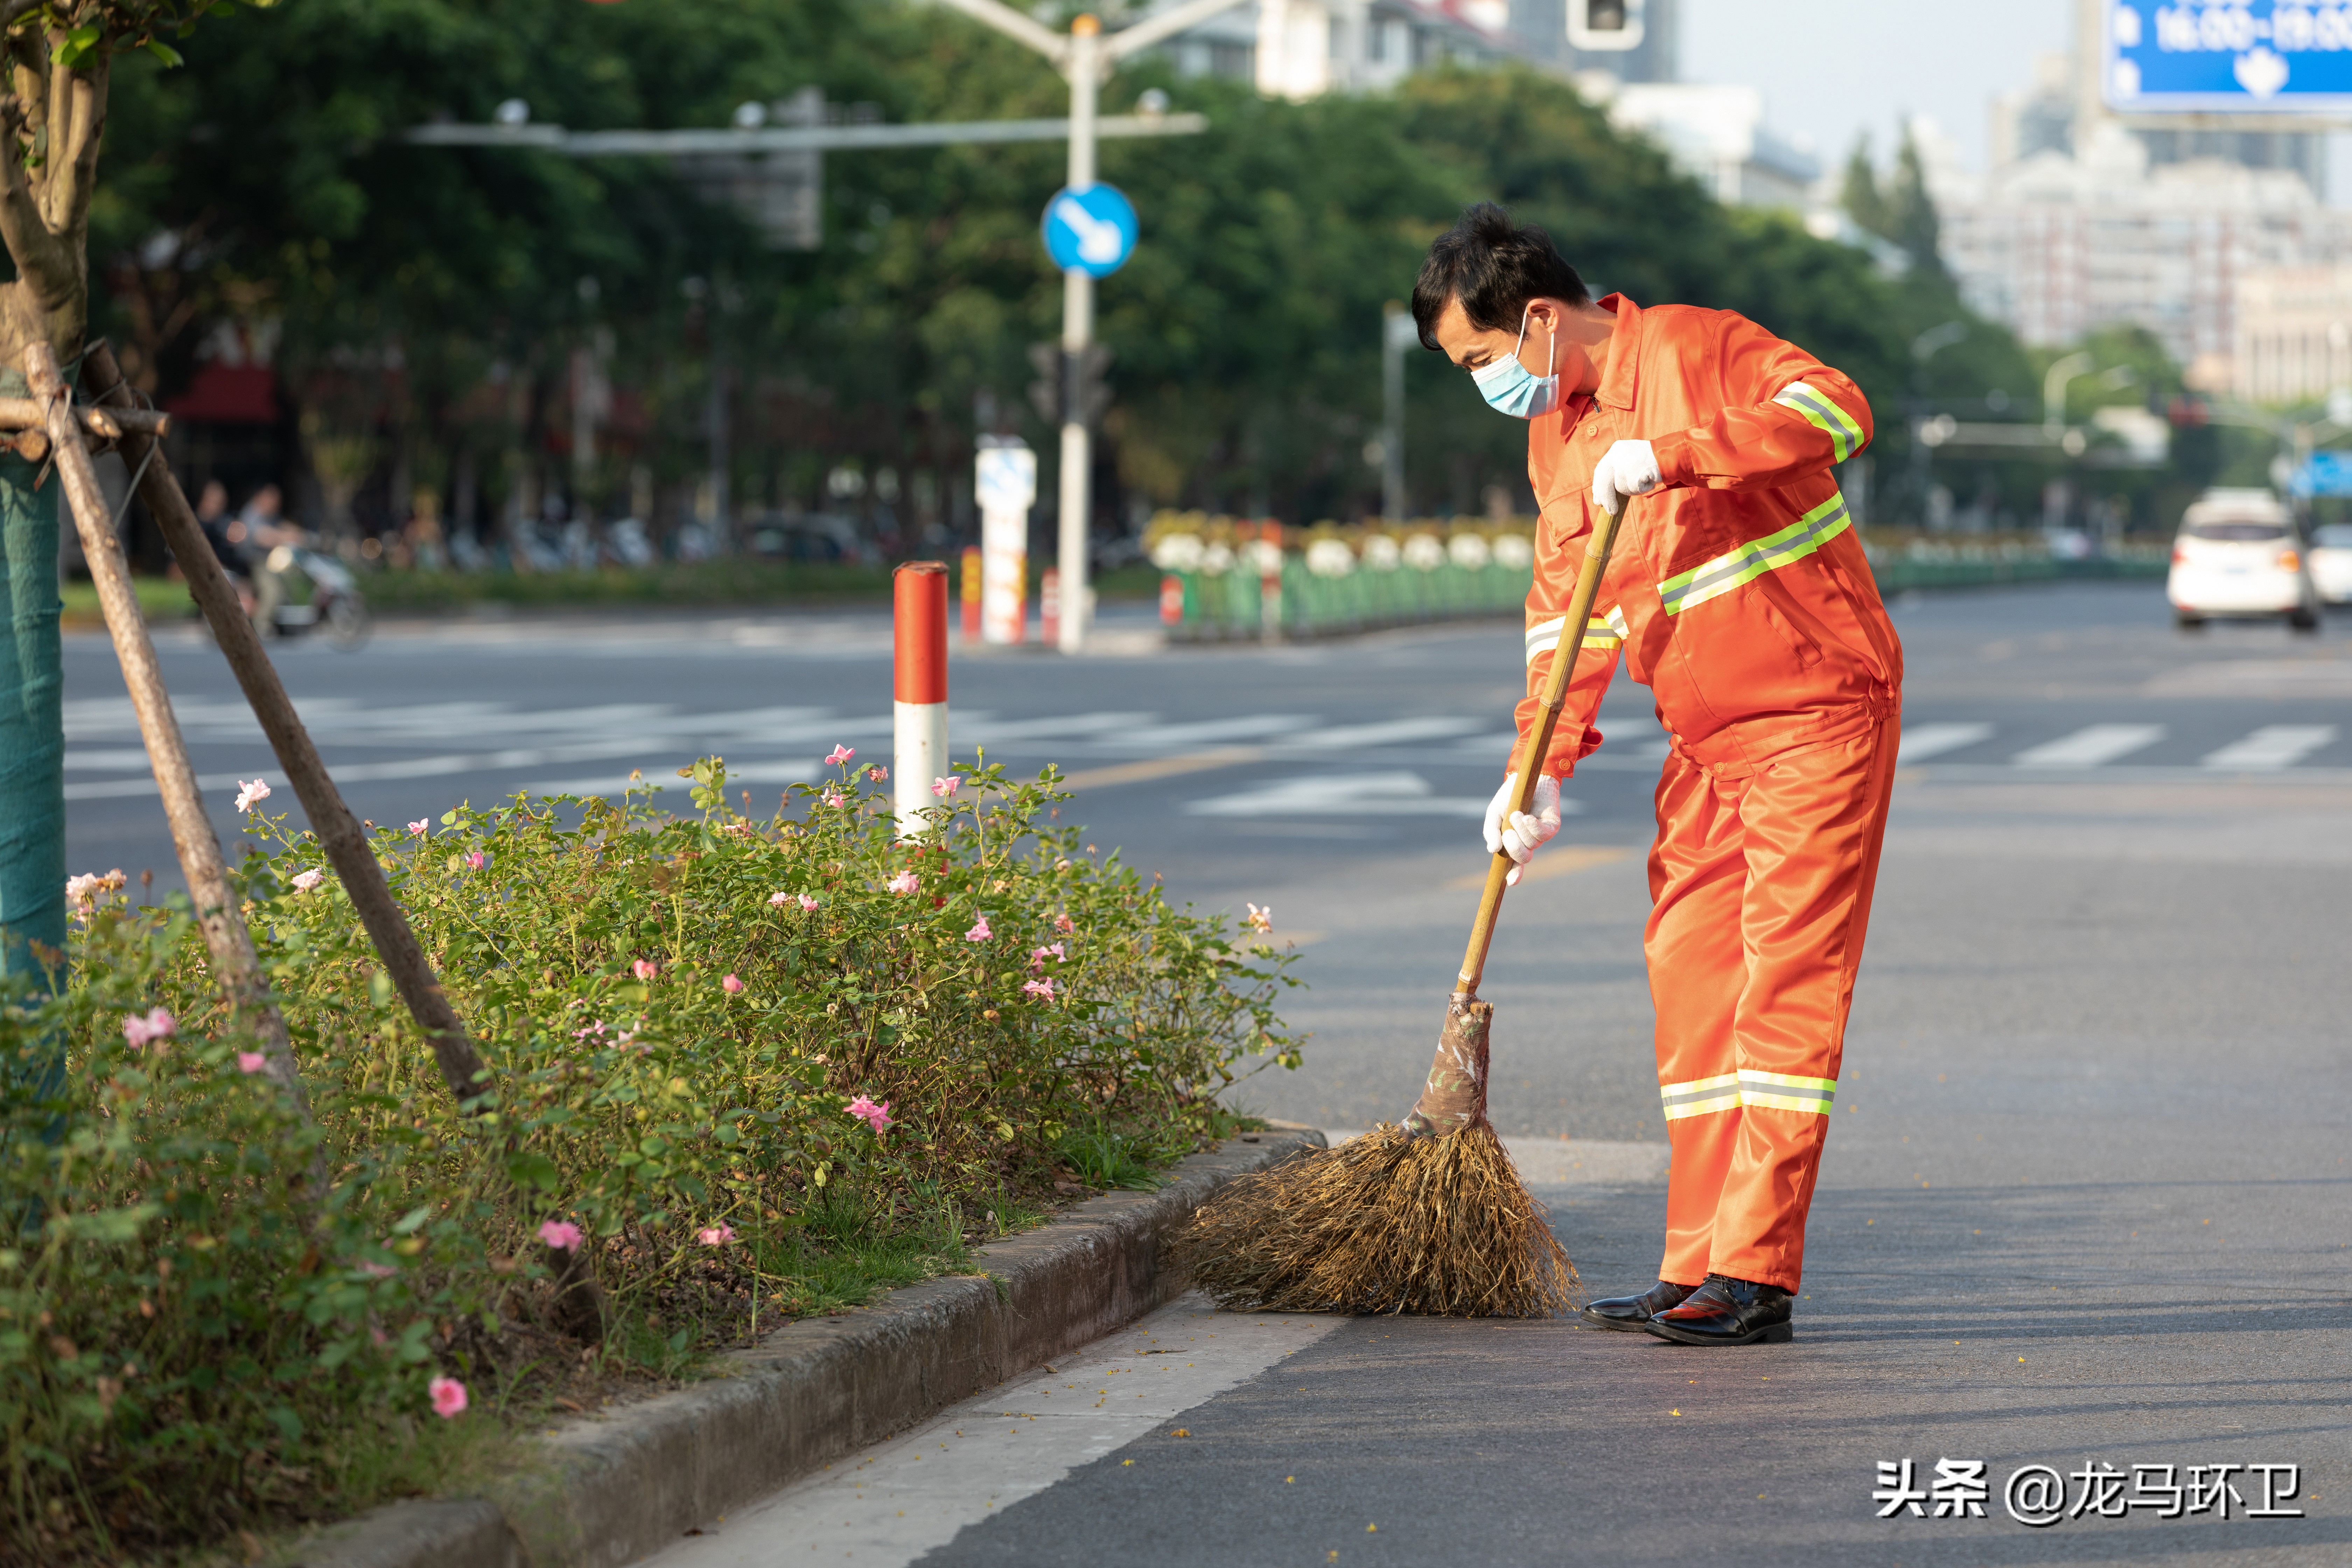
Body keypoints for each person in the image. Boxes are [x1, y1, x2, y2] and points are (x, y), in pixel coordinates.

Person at [1412, 203, 1902, 1347]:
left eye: (1481, 360)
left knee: (1783, 988)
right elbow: (1565, 621)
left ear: (1537, 319)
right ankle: (1699, 1262)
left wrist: (1680, 455)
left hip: (1817, 713)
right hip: (1705, 739)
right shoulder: (1558, 434)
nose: (1484, 385)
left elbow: (1838, 408)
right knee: (1690, 989)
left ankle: (1758, 1272)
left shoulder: (1695, 347)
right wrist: (1536, 770)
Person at [234, 483, 308, 633]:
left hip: (270, 562)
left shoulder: (270, 515)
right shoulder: (252, 513)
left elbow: (282, 525)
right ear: (263, 497)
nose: (276, 504)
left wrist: (298, 533)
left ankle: (286, 623)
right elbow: (263, 536)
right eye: (273, 500)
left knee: (291, 580)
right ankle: (261, 624)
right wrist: (285, 537)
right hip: (255, 562)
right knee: (272, 591)